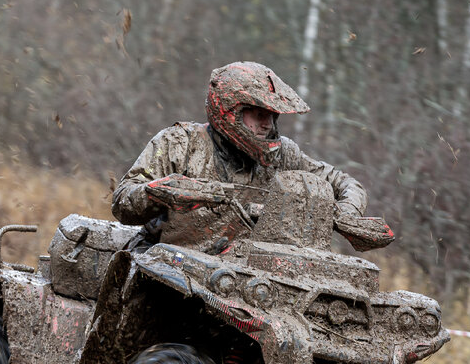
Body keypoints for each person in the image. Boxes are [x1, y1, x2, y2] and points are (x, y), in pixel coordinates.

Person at [111, 62, 367, 243]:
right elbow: (122, 201)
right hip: (168, 260)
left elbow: (345, 183)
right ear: (230, 110)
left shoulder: (284, 155)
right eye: (258, 114)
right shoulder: (180, 143)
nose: (267, 123)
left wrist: (346, 213)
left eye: (271, 115)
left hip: (244, 276)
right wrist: (162, 192)